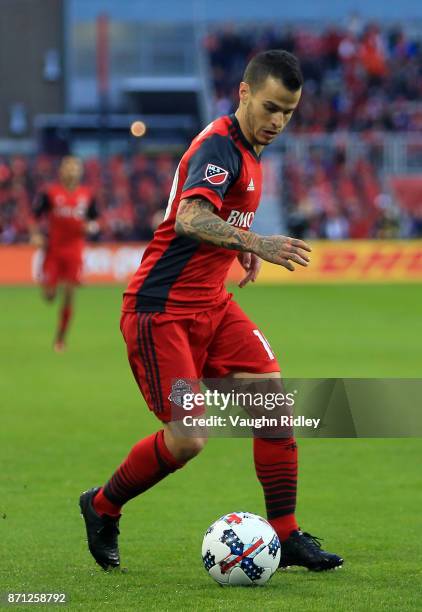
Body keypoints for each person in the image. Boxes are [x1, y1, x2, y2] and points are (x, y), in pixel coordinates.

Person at [80, 50, 343, 572]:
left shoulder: (248, 146)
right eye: (270, 107)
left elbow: (217, 213)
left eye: (288, 113)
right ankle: (102, 505)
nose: (277, 121)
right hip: (162, 314)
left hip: (213, 307)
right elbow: (190, 216)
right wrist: (256, 241)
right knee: (189, 438)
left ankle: (286, 535)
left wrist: (235, 245)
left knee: (273, 404)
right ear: (243, 93)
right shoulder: (220, 146)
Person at [31, 156, 98, 352]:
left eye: (75, 166)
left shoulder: (87, 195)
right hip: (53, 250)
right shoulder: (50, 193)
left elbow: (96, 221)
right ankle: (52, 284)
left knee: (69, 294)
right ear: (61, 170)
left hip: (74, 250)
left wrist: (91, 227)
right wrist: (35, 234)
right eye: (68, 166)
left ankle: (60, 339)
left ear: (80, 171)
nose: (71, 170)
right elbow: (34, 216)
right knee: (49, 296)